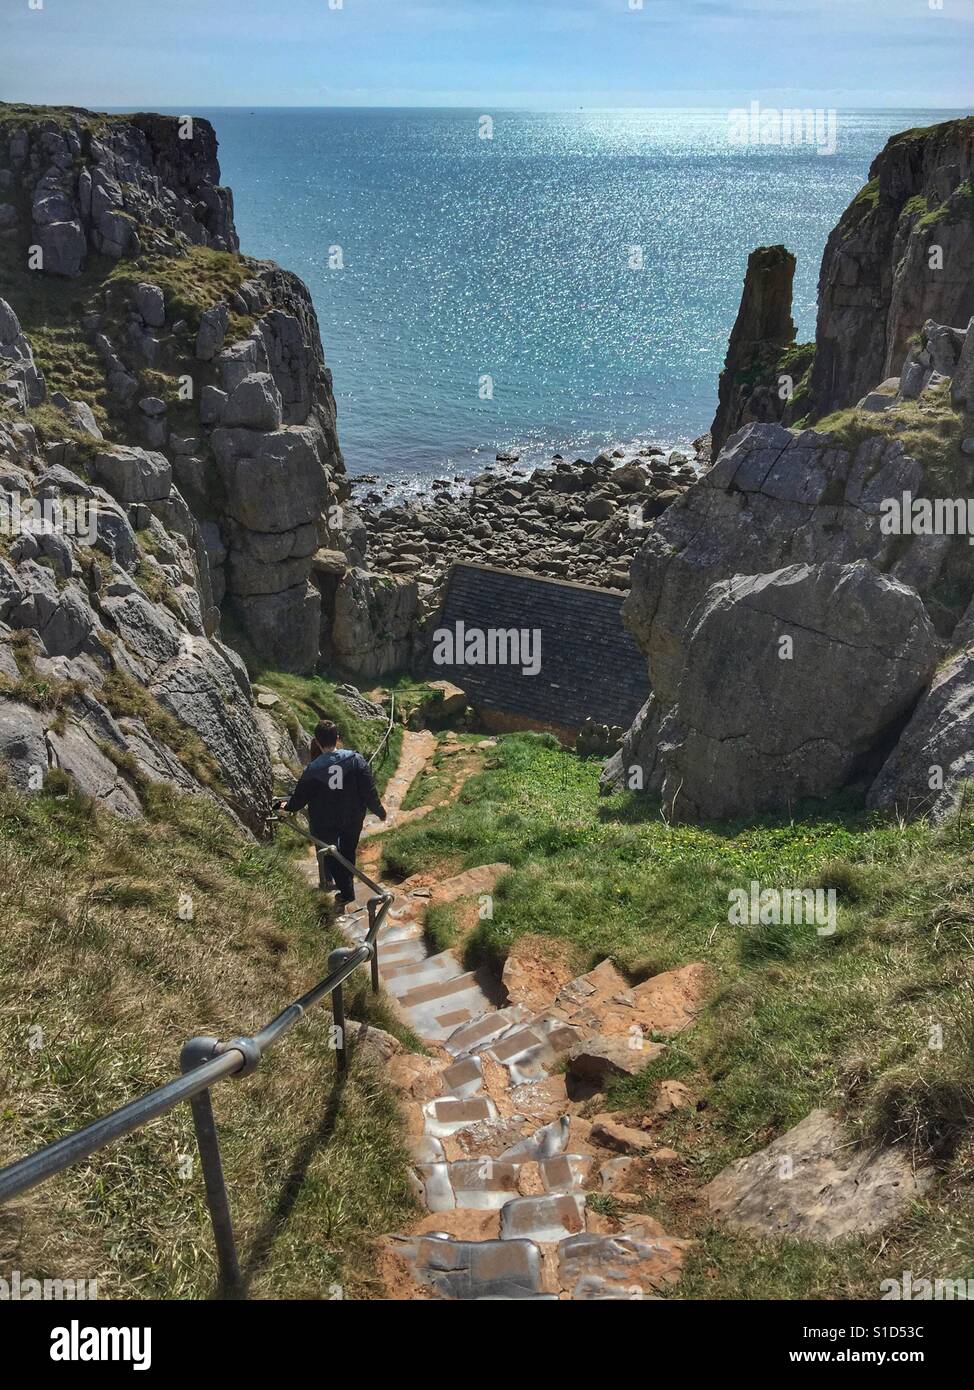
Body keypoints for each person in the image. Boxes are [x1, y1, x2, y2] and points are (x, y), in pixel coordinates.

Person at [274, 720, 386, 911]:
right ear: (338, 738)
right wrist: (379, 811)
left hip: (324, 820)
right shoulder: (356, 760)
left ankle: (343, 889)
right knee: (348, 850)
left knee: (330, 853)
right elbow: (369, 791)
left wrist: (285, 805)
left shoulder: (313, 769)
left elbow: (299, 799)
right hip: (352, 816)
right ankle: (346, 887)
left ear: (316, 742)